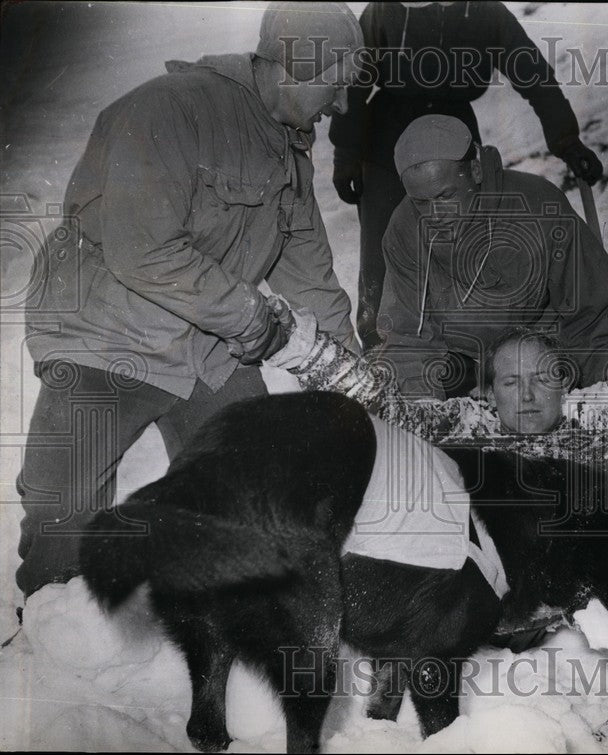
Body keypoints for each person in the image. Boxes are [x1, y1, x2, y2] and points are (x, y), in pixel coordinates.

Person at [16, 2, 363, 598]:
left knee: (254, 493)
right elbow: (141, 250)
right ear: (292, 67)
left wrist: (357, 381)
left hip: (205, 345)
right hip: (107, 330)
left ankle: (216, 631)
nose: (343, 106)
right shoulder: (168, 110)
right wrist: (251, 317)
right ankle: (53, 640)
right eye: (336, 86)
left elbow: (312, 279)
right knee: (65, 524)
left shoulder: (289, 152)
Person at [329, 0, 604, 351]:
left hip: (456, 137)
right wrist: (347, 154)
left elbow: (530, 69)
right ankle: (380, 350)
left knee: (463, 245)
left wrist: (565, 138)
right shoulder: (386, 10)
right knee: (383, 253)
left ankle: (461, 353)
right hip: (388, 140)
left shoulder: (486, 11)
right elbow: (353, 77)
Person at [374, 114, 608, 399]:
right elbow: (408, 335)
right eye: (420, 202)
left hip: (539, 354)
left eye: (445, 197)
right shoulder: (403, 229)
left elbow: (595, 316)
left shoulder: (538, 206)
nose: (434, 215)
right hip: (459, 362)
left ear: (476, 171)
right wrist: (423, 408)